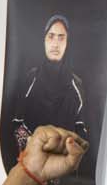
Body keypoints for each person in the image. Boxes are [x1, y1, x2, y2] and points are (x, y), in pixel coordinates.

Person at [10, 13, 89, 158]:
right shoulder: (31, 79)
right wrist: (32, 150)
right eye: (51, 36)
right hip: (31, 161)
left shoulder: (76, 86)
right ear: (44, 40)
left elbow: (81, 129)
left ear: (68, 42)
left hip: (62, 164)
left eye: (61, 37)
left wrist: (66, 153)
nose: (55, 44)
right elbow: (17, 122)